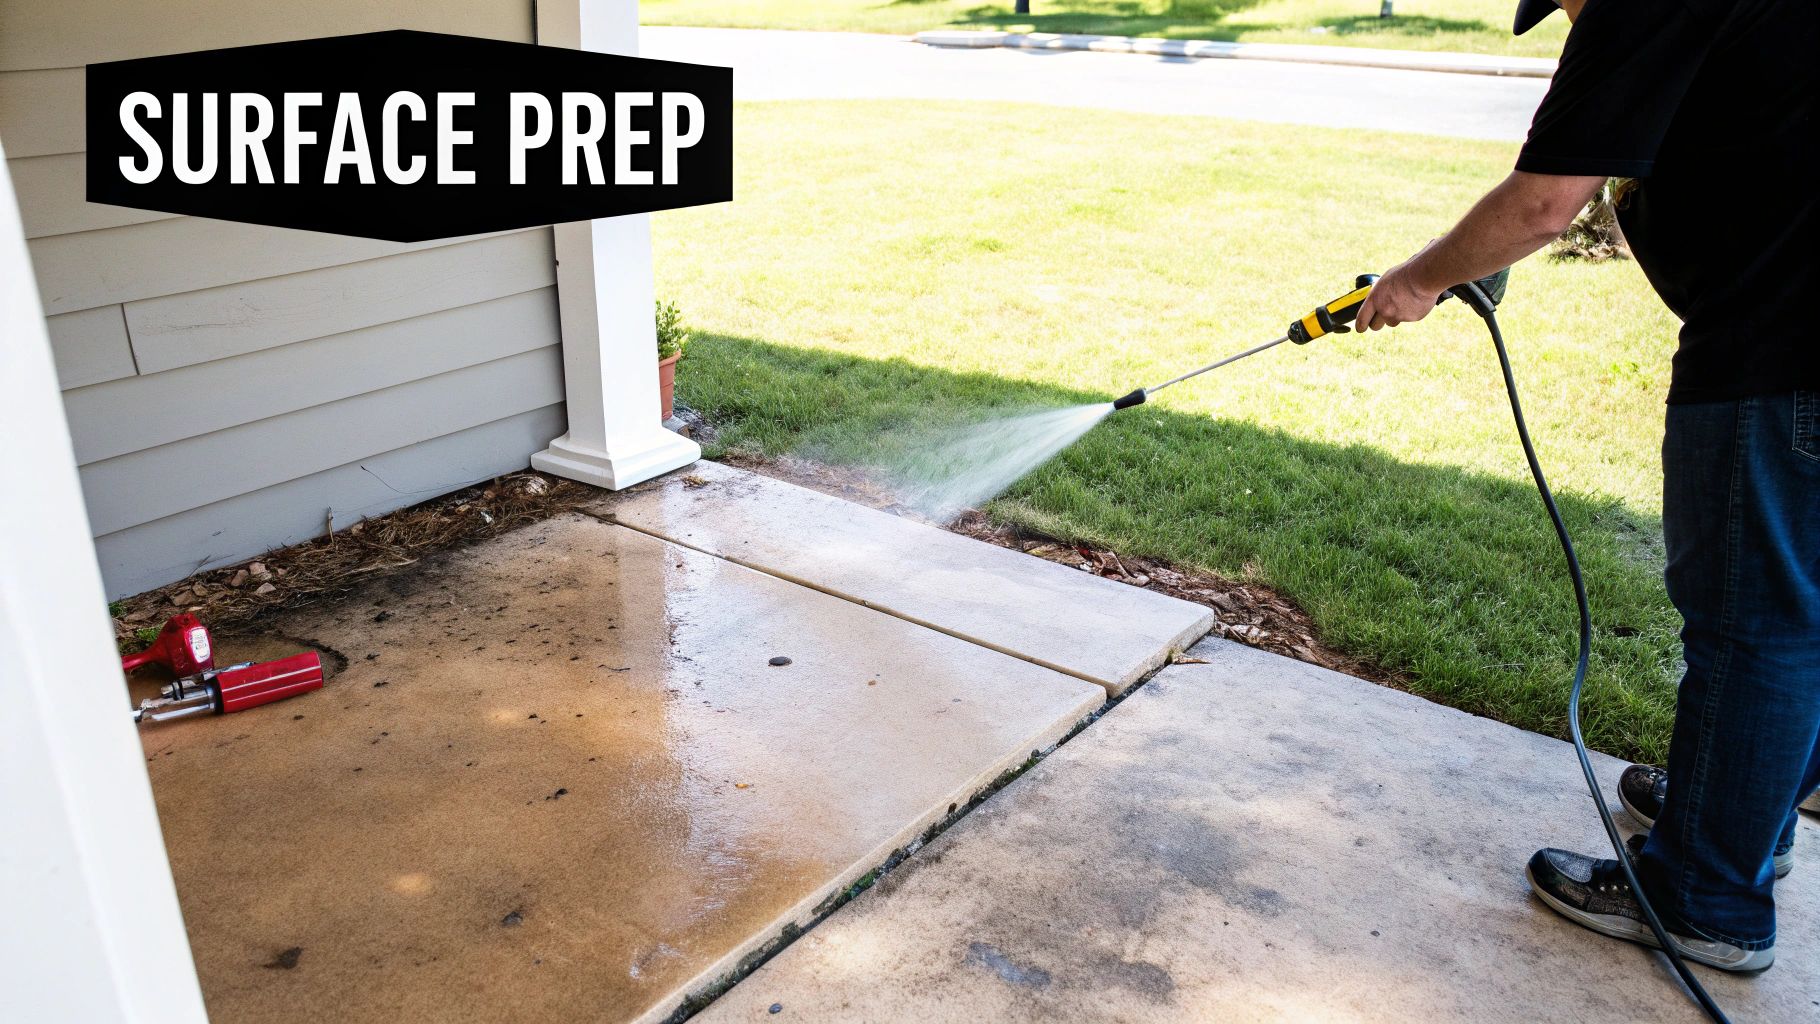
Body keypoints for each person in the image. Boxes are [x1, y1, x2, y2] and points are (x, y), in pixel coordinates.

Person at [1353, 0, 1816, 971]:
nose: (1570, 21)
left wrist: (1418, 279)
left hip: (1778, 351)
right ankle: (1730, 809)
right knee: (1791, 608)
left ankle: (1704, 896)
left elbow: (1541, 203)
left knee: (1750, 621)